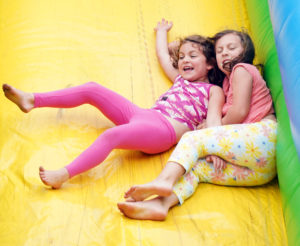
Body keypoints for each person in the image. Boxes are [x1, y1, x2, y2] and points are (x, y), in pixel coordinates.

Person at [2, 19, 224, 189]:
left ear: (210, 64)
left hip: (162, 131)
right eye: (182, 56)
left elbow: (214, 120)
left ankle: (64, 174)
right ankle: (32, 100)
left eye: (193, 56)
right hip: (144, 115)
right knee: (91, 89)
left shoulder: (213, 90)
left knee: (111, 136)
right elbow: (162, 54)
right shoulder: (179, 77)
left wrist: (215, 148)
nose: (185, 60)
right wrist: (163, 32)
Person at [118, 29, 277, 221]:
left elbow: (240, 111)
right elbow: (182, 52)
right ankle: (162, 204)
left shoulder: (242, 69)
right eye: (219, 50)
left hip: (264, 137)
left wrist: (209, 137)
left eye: (231, 48)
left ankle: (164, 180)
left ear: (246, 52)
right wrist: (215, 146)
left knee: (192, 138)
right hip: (261, 168)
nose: (225, 52)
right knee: (197, 168)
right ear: (213, 60)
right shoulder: (224, 86)